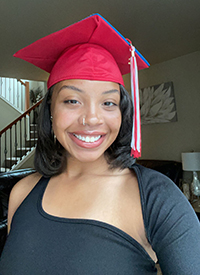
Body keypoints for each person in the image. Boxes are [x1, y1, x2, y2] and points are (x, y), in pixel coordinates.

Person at [0, 14, 200, 275]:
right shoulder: (22, 193)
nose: (92, 118)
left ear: (122, 112)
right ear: (50, 110)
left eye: (108, 103)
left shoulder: (156, 198)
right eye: (72, 100)